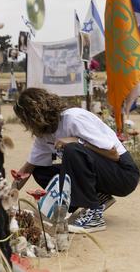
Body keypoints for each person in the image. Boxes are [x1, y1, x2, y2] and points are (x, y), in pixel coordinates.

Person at [13, 88, 139, 233]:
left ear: (34, 115)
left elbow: (113, 154)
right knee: (40, 171)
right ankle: (98, 197)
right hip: (104, 173)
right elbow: (28, 169)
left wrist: (78, 141)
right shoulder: (44, 134)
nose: (24, 124)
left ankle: (94, 216)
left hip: (123, 174)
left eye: (24, 119)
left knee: (72, 150)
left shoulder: (73, 118)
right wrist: (6, 197)